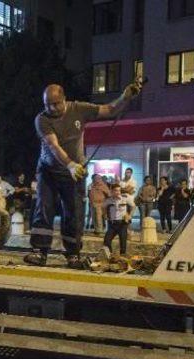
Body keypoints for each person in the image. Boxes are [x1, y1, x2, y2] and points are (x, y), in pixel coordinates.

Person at [24, 81, 142, 267]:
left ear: (64, 99)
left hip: (75, 172)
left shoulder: (79, 109)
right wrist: (70, 164)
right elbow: (53, 146)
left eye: (55, 104)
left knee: (74, 212)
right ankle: (39, 251)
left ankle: (73, 254)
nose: (51, 108)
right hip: (49, 170)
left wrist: (125, 96)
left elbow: (110, 110)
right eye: (47, 105)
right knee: (43, 208)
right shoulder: (42, 119)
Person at [103, 184, 135, 256]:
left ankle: (122, 258)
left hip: (122, 223)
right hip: (112, 224)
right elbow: (103, 207)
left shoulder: (125, 198)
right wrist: (105, 215)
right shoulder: (109, 200)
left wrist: (130, 215)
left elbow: (133, 206)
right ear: (111, 191)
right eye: (116, 190)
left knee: (123, 242)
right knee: (107, 240)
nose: (118, 192)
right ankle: (110, 255)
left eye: (119, 190)